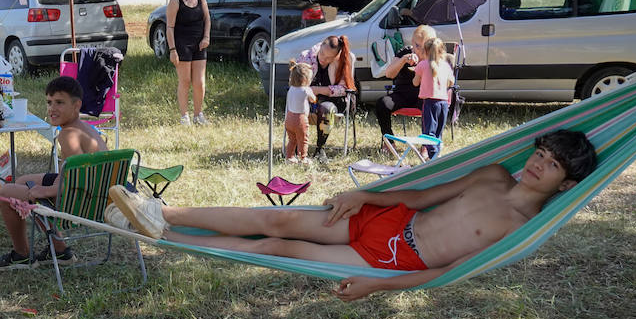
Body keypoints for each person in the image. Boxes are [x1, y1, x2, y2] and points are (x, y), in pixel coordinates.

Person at [108, 129, 597, 301]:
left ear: (567, 185)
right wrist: (367, 197)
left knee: (277, 248)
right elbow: (425, 193)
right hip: (390, 219)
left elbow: (446, 273)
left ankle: (167, 235)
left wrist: (376, 285)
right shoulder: (494, 175)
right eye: (541, 153)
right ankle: (160, 209)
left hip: (395, 260)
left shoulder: (521, 231)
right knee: (277, 220)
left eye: (552, 165)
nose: (537, 164)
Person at [0, 75, 106, 269]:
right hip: (97, 192)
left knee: (6, 193)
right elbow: (78, 175)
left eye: (59, 102)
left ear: (76, 106)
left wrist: (45, 191)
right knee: (24, 181)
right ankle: (59, 251)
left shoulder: (69, 135)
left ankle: (22, 255)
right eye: (49, 102)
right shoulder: (83, 129)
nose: (52, 108)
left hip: (83, 201)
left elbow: (76, 185)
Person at [374, 25, 436, 157]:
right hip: (402, 94)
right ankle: (389, 142)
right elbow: (389, 74)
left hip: (423, 95)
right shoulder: (405, 52)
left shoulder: (433, 57)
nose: (417, 49)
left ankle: (426, 144)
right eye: (416, 45)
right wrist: (403, 60)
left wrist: (425, 62)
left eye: (422, 46)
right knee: (382, 104)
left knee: (429, 105)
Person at [295, 34, 356, 157]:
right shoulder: (306, 57)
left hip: (332, 102)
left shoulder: (342, 62)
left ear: (336, 56)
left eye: (329, 58)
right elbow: (296, 82)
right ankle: (296, 145)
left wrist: (318, 90)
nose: (324, 59)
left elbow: (345, 89)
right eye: (322, 54)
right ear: (321, 45)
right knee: (296, 106)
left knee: (326, 109)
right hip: (307, 101)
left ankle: (320, 147)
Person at [166, 0, 211, 125]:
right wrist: (173, 50)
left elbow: (207, 18)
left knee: (199, 82)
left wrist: (206, 37)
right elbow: (170, 28)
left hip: (200, 44)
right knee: (185, 81)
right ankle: (184, 116)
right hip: (182, 45)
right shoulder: (175, 1)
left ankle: (198, 115)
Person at [417, 34, 456, 155]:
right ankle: (436, 154)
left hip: (430, 103)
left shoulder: (423, 65)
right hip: (444, 103)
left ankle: (433, 156)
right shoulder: (445, 65)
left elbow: (415, 81)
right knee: (438, 131)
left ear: (426, 52)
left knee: (428, 132)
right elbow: (451, 82)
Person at [284, 62, 317, 161]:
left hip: (289, 118)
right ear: (305, 79)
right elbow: (313, 99)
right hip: (300, 119)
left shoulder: (291, 89)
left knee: (292, 140)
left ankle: (289, 157)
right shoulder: (306, 90)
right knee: (303, 140)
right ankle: (303, 158)